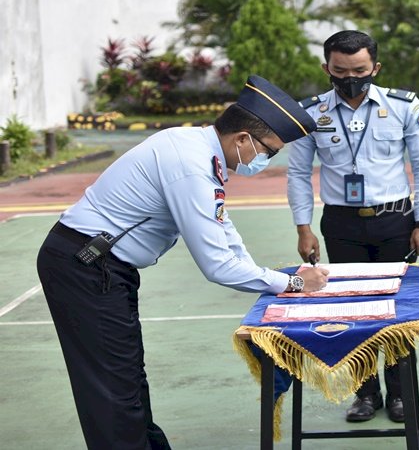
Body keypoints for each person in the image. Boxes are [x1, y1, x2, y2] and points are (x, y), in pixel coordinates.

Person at [35, 75, 331, 449]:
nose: (267, 159)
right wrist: (292, 284)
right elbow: (217, 264)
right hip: (87, 266)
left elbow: (222, 226)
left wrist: (280, 276)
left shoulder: (196, 148)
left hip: (102, 267)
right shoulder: (190, 164)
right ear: (242, 139)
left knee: (126, 378)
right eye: (268, 150)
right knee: (112, 386)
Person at [287, 30, 419, 423]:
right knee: (353, 311)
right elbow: (298, 174)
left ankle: (402, 394)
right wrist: (304, 228)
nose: (350, 77)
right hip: (340, 225)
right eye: (340, 70)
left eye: (359, 69)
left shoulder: (404, 106)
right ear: (327, 68)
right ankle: (366, 394)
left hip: (395, 221)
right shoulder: (311, 112)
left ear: (375, 67)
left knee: (396, 311)